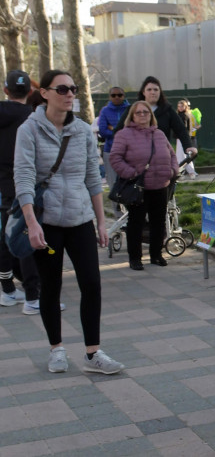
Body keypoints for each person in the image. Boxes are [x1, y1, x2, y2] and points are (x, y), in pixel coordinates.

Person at [14, 69, 124, 375]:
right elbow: (22, 178)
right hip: (46, 222)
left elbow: (93, 176)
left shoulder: (82, 132)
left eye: (73, 89)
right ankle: (56, 349)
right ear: (45, 93)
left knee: (91, 283)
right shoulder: (29, 130)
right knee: (51, 285)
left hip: (79, 220)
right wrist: (32, 223)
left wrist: (101, 221)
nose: (69, 94)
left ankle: (92, 353)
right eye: (62, 89)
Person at [109, 102, 177, 270]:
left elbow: (172, 154)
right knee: (136, 224)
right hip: (138, 188)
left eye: (145, 112)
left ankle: (156, 255)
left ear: (150, 115)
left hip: (161, 185)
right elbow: (115, 158)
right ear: (132, 116)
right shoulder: (124, 135)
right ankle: (135, 258)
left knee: (158, 222)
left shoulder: (159, 134)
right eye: (138, 112)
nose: (142, 115)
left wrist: (172, 171)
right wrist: (131, 173)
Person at [0, 70, 42, 314]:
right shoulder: (34, 118)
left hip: (2, 185)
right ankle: (33, 297)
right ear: (29, 91)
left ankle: (7, 290)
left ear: (6, 91)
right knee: (27, 236)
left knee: (5, 238)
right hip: (26, 184)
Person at [115, 76, 195, 158]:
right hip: (137, 158)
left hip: (161, 157)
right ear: (143, 92)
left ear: (160, 92)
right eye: (149, 89)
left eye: (156, 89)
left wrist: (188, 147)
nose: (153, 92)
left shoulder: (167, 110)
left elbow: (181, 130)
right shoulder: (133, 109)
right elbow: (119, 131)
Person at [97, 86, 130, 198]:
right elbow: (103, 130)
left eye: (119, 95)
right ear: (109, 97)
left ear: (124, 96)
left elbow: (134, 129)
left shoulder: (130, 109)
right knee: (113, 183)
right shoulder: (105, 111)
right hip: (110, 150)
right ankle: (118, 213)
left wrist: (113, 129)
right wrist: (121, 132)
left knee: (130, 181)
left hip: (129, 150)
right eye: (113, 95)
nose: (117, 97)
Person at [175, 99, 198, 179]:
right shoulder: (178, 115)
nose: (180, 108)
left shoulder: (185, 116)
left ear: (185, 107)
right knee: (180, 156)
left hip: (183, 138)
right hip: (179, 138)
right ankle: (183, 172)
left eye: (182, 106)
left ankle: (190, 172)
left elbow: (184, 128)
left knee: (184, 155)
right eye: (179, 106)